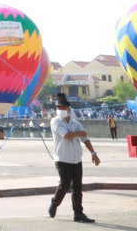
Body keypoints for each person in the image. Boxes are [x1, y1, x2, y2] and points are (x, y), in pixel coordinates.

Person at [47, 93, 98, 223]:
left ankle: (78, 213)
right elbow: (66, 135)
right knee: (64, 184)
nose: (61, 110)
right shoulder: (56, 121)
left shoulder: (76, 123)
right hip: (62, 159)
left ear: (69, 109)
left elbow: (85, 139)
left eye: (63, 108)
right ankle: (54, 203)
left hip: (76, 159)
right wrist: (80, 133)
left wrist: (93, 153)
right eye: (59, 108)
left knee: (77, 188)